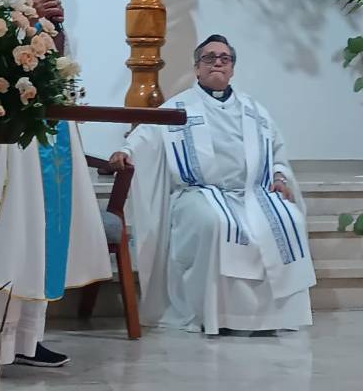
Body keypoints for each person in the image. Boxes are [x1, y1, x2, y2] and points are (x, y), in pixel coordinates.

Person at [0, 0, 112, 367]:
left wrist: (52, 28)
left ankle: (28, 338)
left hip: (45, 129)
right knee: (11, 233)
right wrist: (21, 18)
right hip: (4, 135)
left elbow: (53, 62)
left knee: (40, 233)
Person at [110, 34, 316, 335]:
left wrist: (280, 178)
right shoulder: (179, 107)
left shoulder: (254, 111)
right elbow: (146, 136)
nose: (217, 62)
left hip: (252, 196)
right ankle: (213, 314)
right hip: (198, 193)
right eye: (209, 58)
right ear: (197, 68)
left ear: (232, 69)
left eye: (224, 58)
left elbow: (278, 153)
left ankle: (275, 317)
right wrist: (126, 152)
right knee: (212, 222)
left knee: (290, 218)